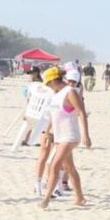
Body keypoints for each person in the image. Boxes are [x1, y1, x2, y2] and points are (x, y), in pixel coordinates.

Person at [38, 67, 90, 209]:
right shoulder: (56, 95)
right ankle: (80, 198)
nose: (48, 86)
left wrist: (86, 134)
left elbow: (81, 113)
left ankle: (46, 198)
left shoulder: (70, 92)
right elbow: (52, 117)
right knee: (69, 167)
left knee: (54, 165)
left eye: (48, 83)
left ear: (55, 80)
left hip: (71, 135)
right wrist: (46, 132)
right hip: (60, 136)